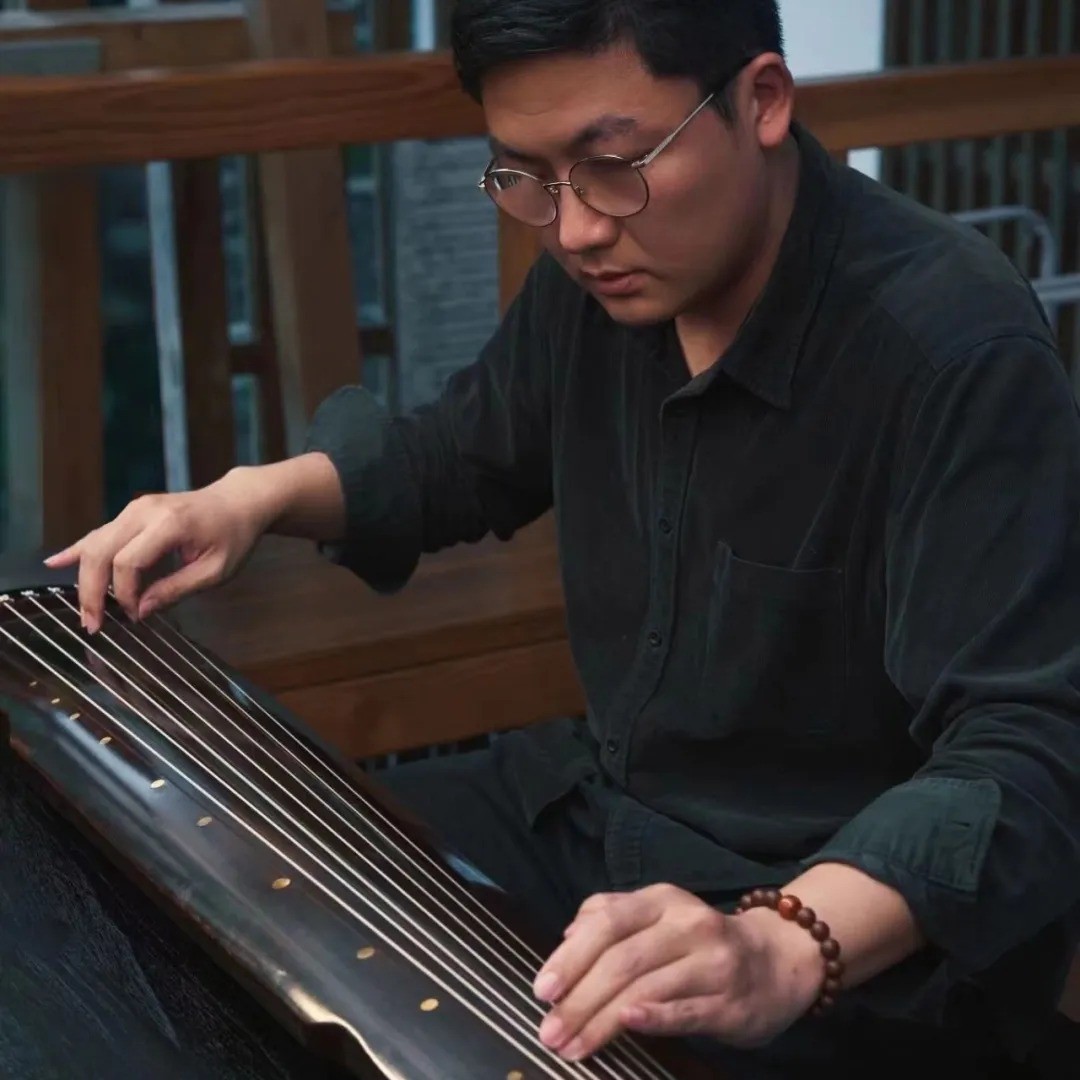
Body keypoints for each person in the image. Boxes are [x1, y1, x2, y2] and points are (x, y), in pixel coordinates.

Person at [46, 0, 1080, 1075]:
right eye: (527, 176)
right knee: (222, 873)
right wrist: (246, 498)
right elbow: (463, 453)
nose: (576, 230)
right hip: (597, 827)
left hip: (826, 928)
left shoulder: (951, 345)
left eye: (614, 166)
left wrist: (782, 943)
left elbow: (1030, 749)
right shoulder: (609, 280)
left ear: (763, 100)